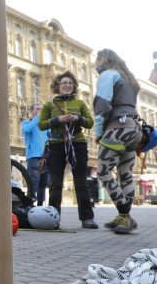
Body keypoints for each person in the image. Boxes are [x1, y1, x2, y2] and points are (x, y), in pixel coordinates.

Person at [38, 71, 97, 229]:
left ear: (74, 87)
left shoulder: (80, 104)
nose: (67, 86)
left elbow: (90, 123)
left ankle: (87, 218)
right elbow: (41, 124)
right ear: (58, 86)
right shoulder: (49, 104)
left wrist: (79, 119)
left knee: (81, 183)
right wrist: (57, 119)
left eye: (70, 84)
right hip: (56, 145)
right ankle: (53, 219)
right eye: (64, 83)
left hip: (77, 144)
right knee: (55, 183)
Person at [93, 48, 142, 234]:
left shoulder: (108, 75)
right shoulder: (130, 80)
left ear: (104, 59)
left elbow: (102, 105)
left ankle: (125, 215)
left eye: (97, 61)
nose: (96, 65)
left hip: (117, 128)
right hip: (133, 128)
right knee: (125, 174)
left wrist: (98, 132)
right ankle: (124, 216)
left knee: (104, 172)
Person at [21, 103, 49, 206]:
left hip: (45, 157)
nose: (40, 111)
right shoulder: (26, 123)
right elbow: (26, 130)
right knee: (34, 183)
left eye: (42, 109)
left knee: (44, 182)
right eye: (38, 109)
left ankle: (40, 205)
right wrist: (37, 118)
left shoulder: (44, 125)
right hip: (33, 157)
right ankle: (30, 204)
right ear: (32, 111)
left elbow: (51, 135)